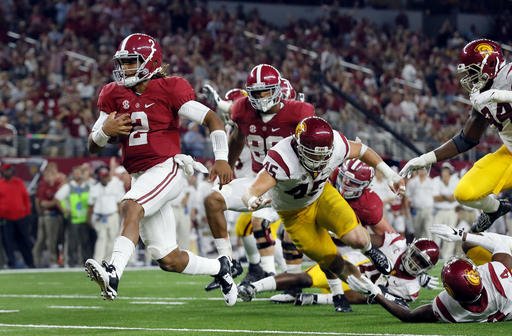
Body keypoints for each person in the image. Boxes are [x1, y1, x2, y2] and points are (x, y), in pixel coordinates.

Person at [83, 33, 237, 305]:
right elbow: (92, 145)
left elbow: (212, 118)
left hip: (168, 167)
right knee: (168, 258)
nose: (126, 69)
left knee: (130, 205)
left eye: (132, 62)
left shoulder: (170, 88)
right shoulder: (113, 93)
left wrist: (222, 157)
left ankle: (113, 272)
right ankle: (222, 269)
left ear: (151, 61)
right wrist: (104, 133)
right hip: (141, 175)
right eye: (124, 63)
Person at [241, 116, 405, 312]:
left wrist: (389, 174)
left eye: (323, 155)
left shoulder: (336, 144)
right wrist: (252, 200)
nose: (319, 160)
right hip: (295, 215)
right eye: (313, 155)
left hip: (322, 196)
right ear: (299, 146)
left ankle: (369, 249)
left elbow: (362, 150)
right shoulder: (282, 158)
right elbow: (251, 190)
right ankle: (370, 289)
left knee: (358, 239)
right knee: (335, 264)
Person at [203, 65, 316, 283]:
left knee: (286, 230)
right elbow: (237, 137)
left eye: (266, 91)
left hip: (291, 185)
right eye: (256, 92)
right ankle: (226, 263)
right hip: (258, 183)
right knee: (212, 200)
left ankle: (282, 277)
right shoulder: (243, 110)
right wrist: (226, 165)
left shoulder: (299, 112)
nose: (261, 97)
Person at [399, 39, 512, 233]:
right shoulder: (481, 96)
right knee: (464, 193)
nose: (468, 78)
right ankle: (496, 209)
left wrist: (499, 95)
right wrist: (426, 158)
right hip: (509, 154)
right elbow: (467, 139)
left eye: (472, 71)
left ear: (490, 64)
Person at [348, 229, 512, 323]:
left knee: (468, 243)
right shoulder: (496, 273)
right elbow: (502, 244)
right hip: (504, 295)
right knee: (469, 244)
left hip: (502, 301)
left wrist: (375, 293)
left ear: (451, 294)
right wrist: (463, 236)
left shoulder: (450, 308)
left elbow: (409, 315)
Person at [240, 234, 440, 309]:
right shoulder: (396, 243)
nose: (413, 263)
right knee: (304, 279)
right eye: (414, 256)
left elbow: (375, 299)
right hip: (349, 265)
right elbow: (367, 239)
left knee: (369, 296)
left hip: (358, 288)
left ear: (426, 269)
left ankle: (318, 299)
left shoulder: (411, 288)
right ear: (409, 248)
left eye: (420, 263)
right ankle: (253, 287)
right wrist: (338, 235)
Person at [87, 166, 125, 262]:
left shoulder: (116, 185)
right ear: (99, 177)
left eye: (106, 176)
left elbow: (119, 203)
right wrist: (89, 219)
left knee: (112, 239)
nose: (105, 178)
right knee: (101, 238)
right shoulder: (94, 188)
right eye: (103, 176)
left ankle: (108, 261)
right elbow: (90, 205)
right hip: (99, 217)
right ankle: (98, 261)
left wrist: (121, 218)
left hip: (112, 215)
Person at [0, 163, 34, 268]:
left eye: (9, 170)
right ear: (3, 172)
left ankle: (30, 263)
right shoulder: (1, 184)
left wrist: (27, 213)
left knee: (24, 241)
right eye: (6, 170)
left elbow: (26, 198)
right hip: (6, 218)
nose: (8, 172)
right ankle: (12, 263)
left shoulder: (19, 183)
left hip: (21, 217)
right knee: (8, 242)